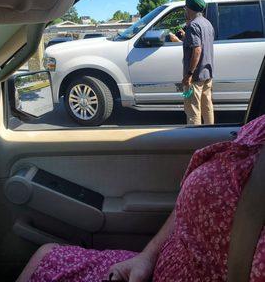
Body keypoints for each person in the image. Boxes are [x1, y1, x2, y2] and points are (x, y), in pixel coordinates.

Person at [17, 114, 265, 282]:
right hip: (154, 271)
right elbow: (193, 203)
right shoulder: (259, 128)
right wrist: (147, 257)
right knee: (46, 257)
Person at [170, 0, 215, 125]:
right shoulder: (207, 24)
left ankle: (195, 141)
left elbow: (197, 49)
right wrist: (183, 38)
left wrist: (189, 74)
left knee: (192, 110)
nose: (185, 10)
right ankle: (210, 137)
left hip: (194, 77)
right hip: (207, 74)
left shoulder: (193, 26)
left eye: (185, 8)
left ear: (189, 8)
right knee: (207, 107)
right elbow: (200, 44)